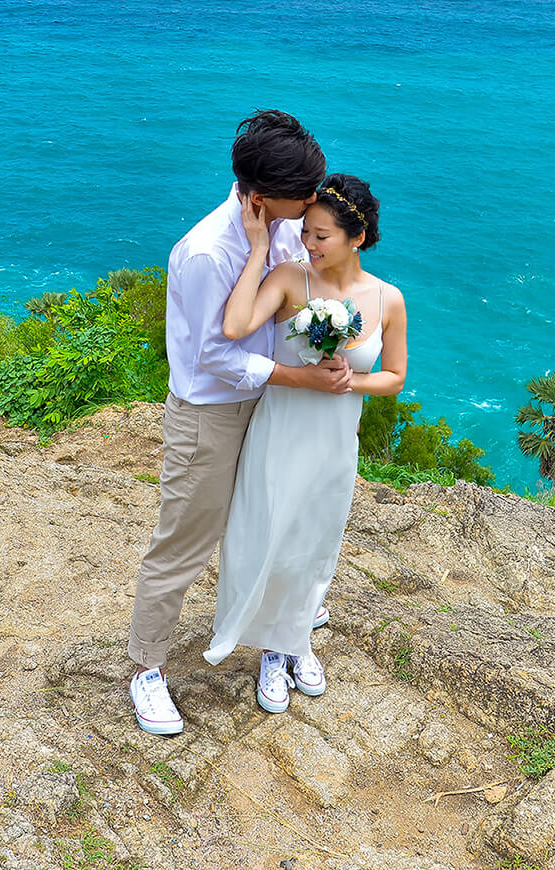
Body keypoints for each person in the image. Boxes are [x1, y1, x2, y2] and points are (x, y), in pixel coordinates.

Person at [126, 111, 354, 737]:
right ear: (262, 195)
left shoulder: (280, 229)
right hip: (211, 415)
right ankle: (147, 668)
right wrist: (301, 379)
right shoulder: (205, 253)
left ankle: (282, 629)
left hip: (272, 405)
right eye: (302, 193)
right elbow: (212, 357)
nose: (313, 201)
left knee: (274, 524)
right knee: (187, 541)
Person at [208, 173, 406, 712]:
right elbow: (233, 326)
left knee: (316, 542)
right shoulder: (290, 278)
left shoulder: (388, 299)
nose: (308, 245)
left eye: (321, 236)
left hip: (336, 440)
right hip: (282, 430)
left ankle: (296, 639)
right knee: (270, 533)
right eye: (306, 233)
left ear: (356, 238)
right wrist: (257, 251)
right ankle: (272, 651)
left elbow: (393, 376)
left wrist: (349, 381)